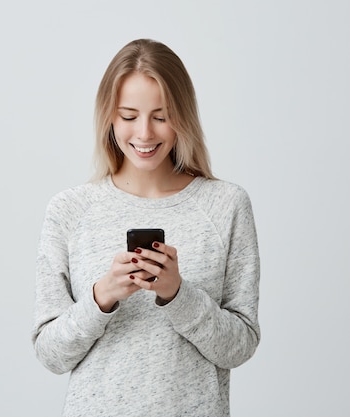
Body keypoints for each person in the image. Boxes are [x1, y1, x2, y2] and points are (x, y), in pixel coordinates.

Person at [31, 38, 260, 417]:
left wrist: (177, 295)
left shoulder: (225, 205)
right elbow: (50, 355)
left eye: (161, 115)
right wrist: (101, 298)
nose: (144, 133)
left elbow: (240, 347)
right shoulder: (70, 210)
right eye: (129, 115)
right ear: (109, 116)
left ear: (182, 116)